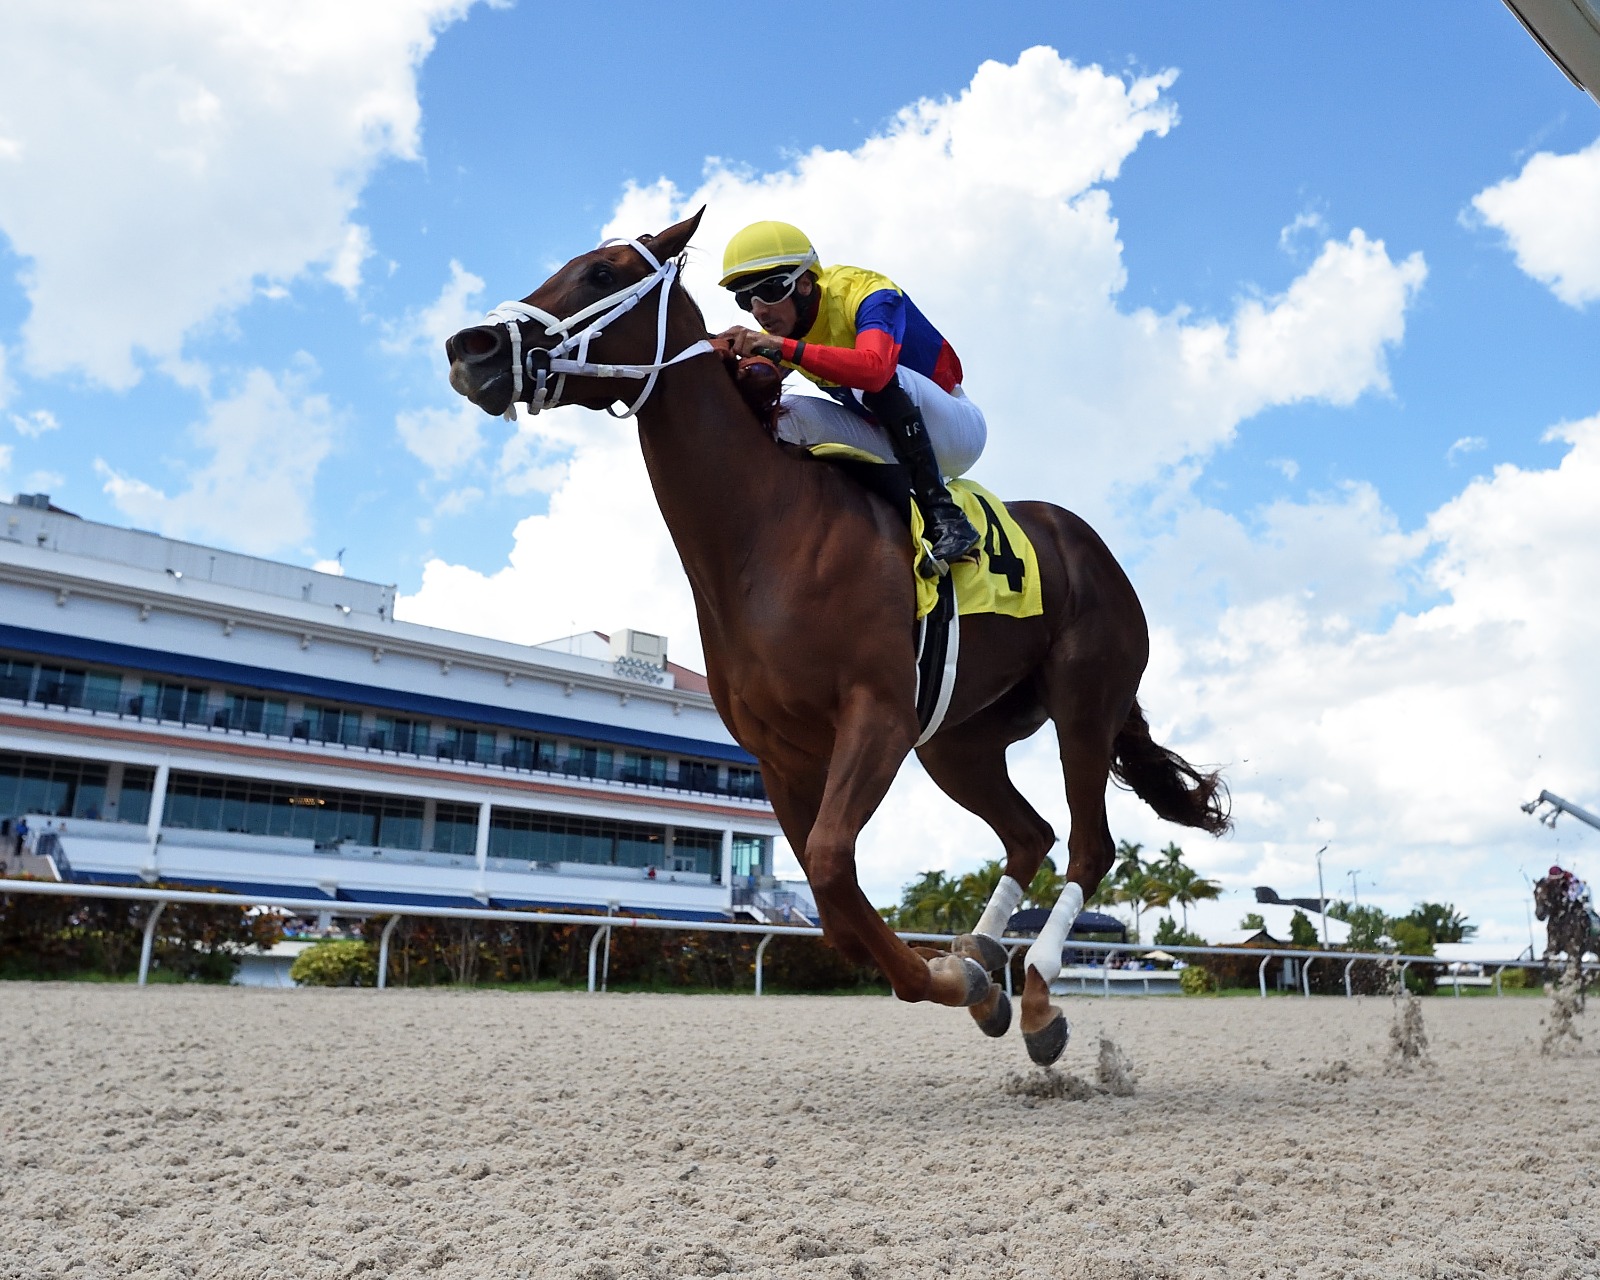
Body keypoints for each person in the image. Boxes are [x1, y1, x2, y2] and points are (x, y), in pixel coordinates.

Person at [716, 221, 985, 568]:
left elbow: (875, 369)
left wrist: (781, 347)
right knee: (782, 412)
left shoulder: (866, 292)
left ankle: (944, 515)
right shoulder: (785, 330)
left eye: (768, 292)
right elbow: (754, 381)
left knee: (872, 379)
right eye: (745, 300)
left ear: (804, 282)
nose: (759, 311)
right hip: (887, 441)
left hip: (955, 433)